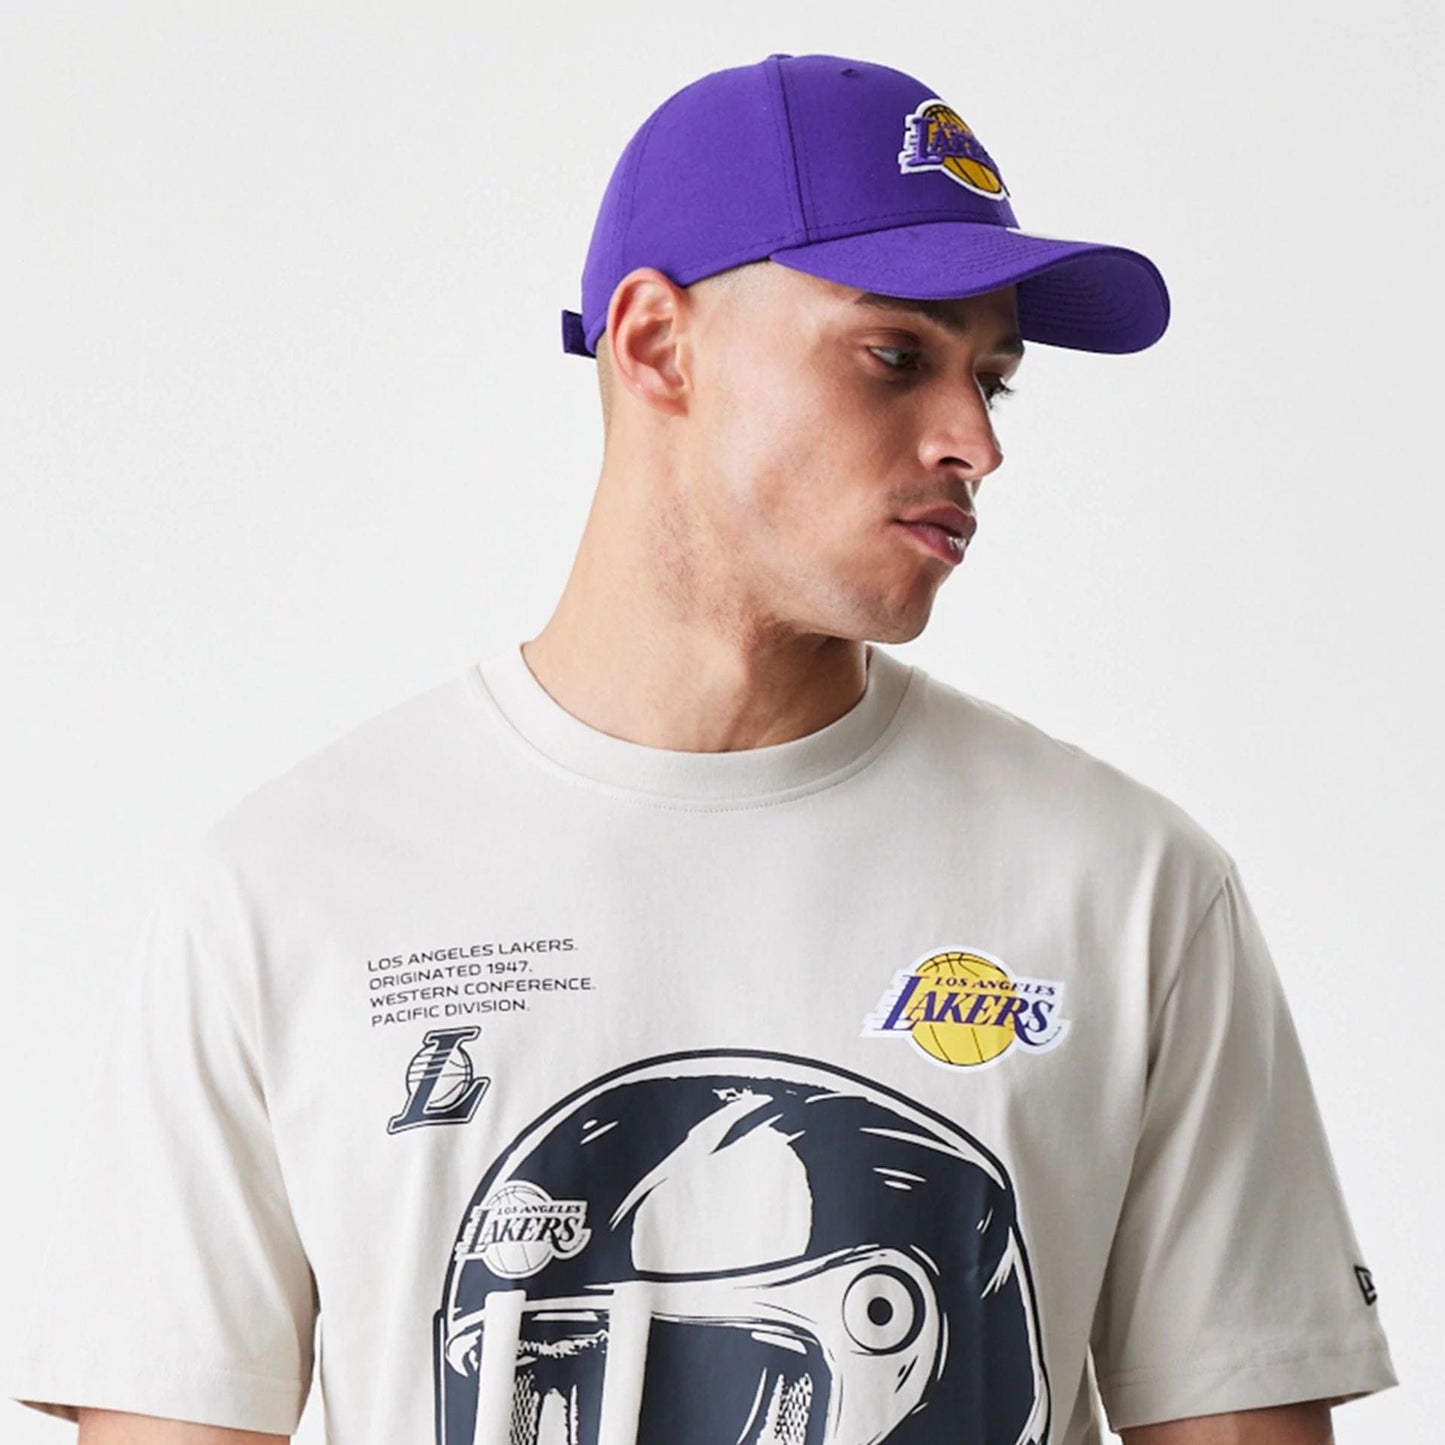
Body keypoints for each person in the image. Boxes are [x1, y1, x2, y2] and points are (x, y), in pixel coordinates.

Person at [7, 51, 1396, 1445]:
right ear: (657, 343)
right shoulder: (289, 896)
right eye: (897, 356)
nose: (975, 441)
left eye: (994, 380)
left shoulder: (1127, 889)